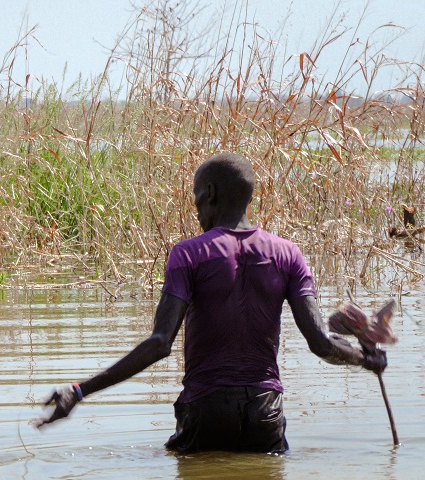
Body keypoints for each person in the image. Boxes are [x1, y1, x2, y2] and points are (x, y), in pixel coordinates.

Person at [35, 152, 387, 453]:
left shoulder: (189, 254)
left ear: (211, 194)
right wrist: (365, 360)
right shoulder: (288, 254)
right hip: (265, 412)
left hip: (205, 411)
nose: (196, 211)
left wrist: (80, 391)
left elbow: (160, 344)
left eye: (196, 199)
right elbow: (322, 343)